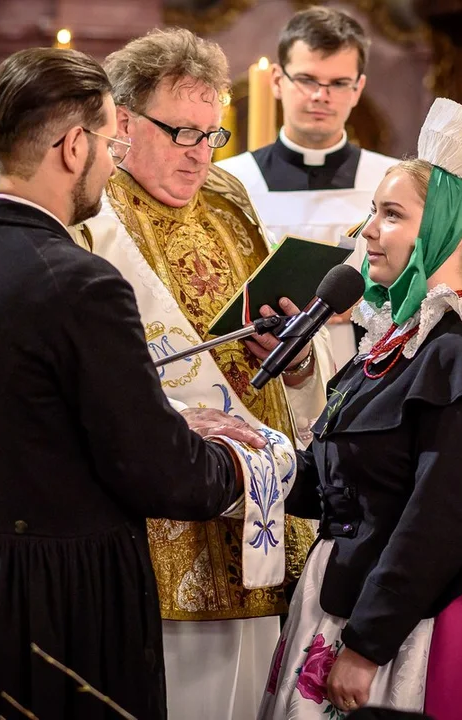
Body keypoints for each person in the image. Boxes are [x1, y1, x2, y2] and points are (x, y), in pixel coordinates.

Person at [0, 48, 280, 720]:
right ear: (72, 146)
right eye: (110, 142)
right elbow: (162, 477)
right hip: (64, 605)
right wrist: (247, 457)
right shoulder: (83, 285)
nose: (113, 159)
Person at [258, 98, 462, 720]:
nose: (368, 231)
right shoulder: (398, 339)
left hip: (417, 626)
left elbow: (442, 514)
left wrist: (366, 644)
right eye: (372, 213)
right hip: (342, 595)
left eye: (390, 215)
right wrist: (240, 459)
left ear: (443, 225)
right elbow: (336, 485)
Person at [84, 28, 335, 720]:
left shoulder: (225, 198)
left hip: (260, 504)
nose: (200, 154)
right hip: (159, 521)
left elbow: (277, 341)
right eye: (182, 133)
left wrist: (296, 358)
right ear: (122, 123)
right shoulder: (90, 211)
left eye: (210, 134)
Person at [219, 6, 397, 364]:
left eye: (338, 83)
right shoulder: (232, 181)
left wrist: (360, 308)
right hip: (258, 363)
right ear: (277, 81)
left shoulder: (392, 181)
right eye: (307, 79)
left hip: (363, 367)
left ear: (358, 88)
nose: (320, 96)